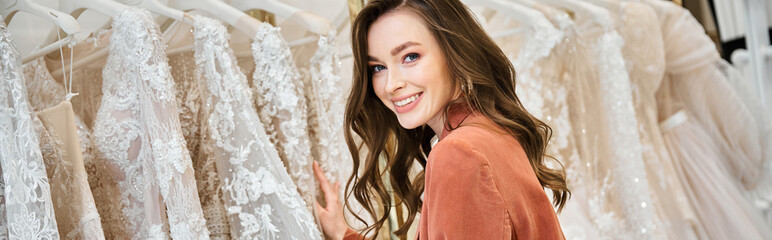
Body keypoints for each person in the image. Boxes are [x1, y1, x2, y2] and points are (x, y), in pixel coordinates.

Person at [312, 0, 569, 239]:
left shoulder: (459, 153)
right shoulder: (492, 129)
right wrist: (344, 233)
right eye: (378, 68)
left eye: (410, 57)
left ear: (455, 52)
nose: (391, 85)